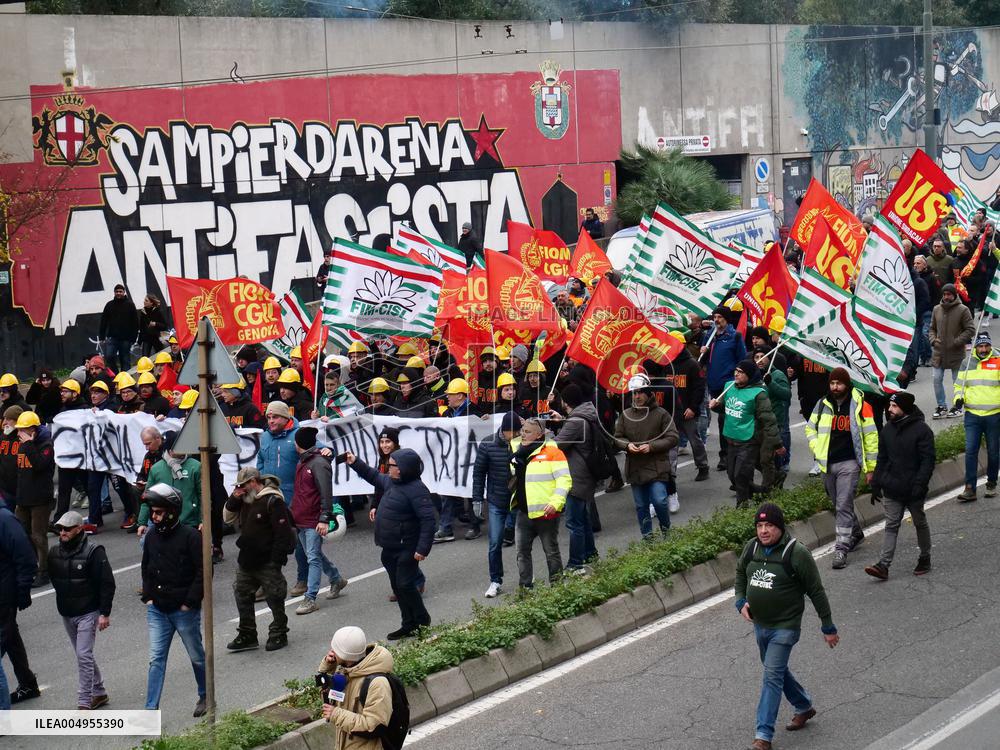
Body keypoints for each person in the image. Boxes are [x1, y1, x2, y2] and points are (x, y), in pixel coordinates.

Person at [735, 502, 839, 750]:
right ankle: (803, 705)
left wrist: (828, 626)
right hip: (760, 625)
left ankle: (763, 735)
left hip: (786, 626)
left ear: (779, 527)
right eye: (759, 526)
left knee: (771, 676)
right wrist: (740, 601)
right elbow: (740, 574)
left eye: (769, 525)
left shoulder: (797, 553)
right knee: (776, 670)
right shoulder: (752, 548)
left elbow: (816, 591)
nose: (763, 531)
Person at [345, 447, 435, 640]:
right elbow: (373, 475)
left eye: (392, 465)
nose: (388, 468)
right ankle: (408, 623)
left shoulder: (417, 490)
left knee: (405, 584)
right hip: (389, 547)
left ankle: (422, 619)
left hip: (407, 547)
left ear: (402, 468)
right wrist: (354, 462)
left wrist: (422, 548)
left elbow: (428, 520)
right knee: (397, 586)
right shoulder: (391, 482)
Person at [140, 483, 206, 717]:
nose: (153, 517)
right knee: (156, 660)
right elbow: (146, 567)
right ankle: (150, 711)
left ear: (171, 512)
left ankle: (205, 695)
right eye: (152, 512)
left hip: (183, 611)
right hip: (157, 610)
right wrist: (148, 597)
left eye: (158, 512)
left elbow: (203, 572)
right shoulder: (151, 536)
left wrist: (189, 602)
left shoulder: (190, 536)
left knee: (196, 655)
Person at [806, 368, 878, 569]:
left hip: (850, 463)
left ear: (847, 384)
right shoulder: (822, 404)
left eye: (839, 383)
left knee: (843, 505)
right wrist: (816, 446)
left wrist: (870, 467)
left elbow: (871, 437)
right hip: (827, 464)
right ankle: (855, 532)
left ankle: (841, 549)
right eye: (832, 383)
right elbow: (810, 428)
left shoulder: (861, 405)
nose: (835, 387)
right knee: (838, 502)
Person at [48, 510, 115, 710]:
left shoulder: (94, 552)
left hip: (88, 612)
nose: (63, 533)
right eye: (60, 529)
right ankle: (100, 692)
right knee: (82, 654)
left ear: (79, 529)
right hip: (67, 613)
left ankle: (84, 700)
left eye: (67, 529)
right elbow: (54, 578)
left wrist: (104, 613)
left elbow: (106, 583)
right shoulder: (54, 553)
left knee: (83, 654)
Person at [865, 392, 935, 580]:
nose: (889, 410)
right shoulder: (887, 430)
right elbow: (882, 458)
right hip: (893, 488)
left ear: (904, 408)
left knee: (920, 522)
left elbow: (927, 461)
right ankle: (883, 566)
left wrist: (920, 485)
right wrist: (876, 483)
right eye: (889, 406)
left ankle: (924, 558)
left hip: (914, 489)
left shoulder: (922, 430)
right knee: (891, 525)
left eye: (894, 406)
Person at [223, 468, 293, 653]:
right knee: (242, 594)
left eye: (243, 485)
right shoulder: (245, 500)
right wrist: (235, 497)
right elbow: (227, 518)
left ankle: (279, 632)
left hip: (267, 560)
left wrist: (277, 561)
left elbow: (283, 533)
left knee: (275, 596)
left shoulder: (273, 501)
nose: (241, 489)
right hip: (246, 559)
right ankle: (247, 634)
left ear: (253, 481)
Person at [291, 427, 349, 615]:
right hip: (301, 518)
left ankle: (310, 598)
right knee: (313, 554)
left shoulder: (318, 463)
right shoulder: (305, 461)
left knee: (313, 557)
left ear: (299, 444)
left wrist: (324, 518)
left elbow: (326, 493)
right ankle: (336, 579)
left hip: (313, 519)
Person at [710, 359, 782, 508]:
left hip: (748, 441)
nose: (736, 374)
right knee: (732, 475)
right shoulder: (728, 387)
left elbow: (769, 420)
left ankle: (742, 507)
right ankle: (764, 489)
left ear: (749, 375)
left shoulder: (759, 394)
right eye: (736, 370)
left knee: (740, 476)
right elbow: (725, 408)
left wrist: (777, 444)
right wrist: (716, 406)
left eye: (741, 372)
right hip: (730, 439)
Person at [614, 374, 678, 537]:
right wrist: (627, 445)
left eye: (640, 392)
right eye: (634, 393)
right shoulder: (625, 414)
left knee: (659, 501)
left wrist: (651, 447)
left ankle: (666, 531)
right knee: (641, 506)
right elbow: (617, 437)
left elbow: (673, 437)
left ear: (649, 393)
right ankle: (647, 538)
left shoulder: (661, 413)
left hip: (657, 466)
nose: (637, 396)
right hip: (635, 468)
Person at [510, 417, 569, 587]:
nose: (522, 434)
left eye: (527, 432)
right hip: (523, 512)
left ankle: (557, 588)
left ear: (539, 435)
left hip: (546, 513)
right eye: (522, 430)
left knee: (551, 552)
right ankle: (525, 588)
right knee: (522, 553)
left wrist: (555, 503)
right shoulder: (517, 451)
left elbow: (564, 480)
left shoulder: (553, 452)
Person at [317, 626, 396, 748]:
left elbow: (374, 726)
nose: (332, 650)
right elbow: (328, 701)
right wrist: (327, 668)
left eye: (335, 648)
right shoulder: (346, 672)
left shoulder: (377, 683)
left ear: (344, 654)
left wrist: (336, 714)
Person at [552, 383, 599, 573]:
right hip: (586, 472)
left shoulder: (575, 422)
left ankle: (575, 563)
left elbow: (557, 445)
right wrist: (563, 419)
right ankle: (590, 553)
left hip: (576, 475)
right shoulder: (585, 414)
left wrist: (540, 438)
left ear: (565, 401)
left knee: (574, 522)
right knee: (584, 518)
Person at [473, 412, 520, 598]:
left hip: (517, 501)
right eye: (513, 432)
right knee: (494, 543)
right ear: (504, 430)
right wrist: (477, 498)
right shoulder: (487, 444)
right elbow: (479, 473)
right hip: (496, 502)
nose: (516, 435)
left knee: (523, 544)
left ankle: (526, 578)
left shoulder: (522, 443)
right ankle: (495, 581)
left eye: (518, 432)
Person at [0, 499, 39, 705]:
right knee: (11, 638)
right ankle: (28, 682)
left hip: (4, 595)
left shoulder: (5, 520)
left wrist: (23, 590)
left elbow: (26, 556)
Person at [954, 331, 1000, 502]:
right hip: (972, 415)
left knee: (994, 453)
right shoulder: (967, 363)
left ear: (990, 345)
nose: (983, 349)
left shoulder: (998, 360)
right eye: (980, 346)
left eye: (986, 345)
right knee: (971, 451)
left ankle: (991, 483)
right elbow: (959, 385)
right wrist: (958, 398)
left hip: (994, 415)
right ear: (975, 347)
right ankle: (970, 488)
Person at [702, 306, 746, 469]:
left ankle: (727, 456)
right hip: (713, 384)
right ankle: (728, 454)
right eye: (715, 316)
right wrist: (704, 351)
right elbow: (702, 360)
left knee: (725, 420)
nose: (716, 319)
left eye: (720, 316)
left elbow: (742, 361)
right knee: (724, 421)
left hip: (728, 386)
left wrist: (737, 381)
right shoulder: (709, 336)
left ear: (726, 319)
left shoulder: (734, 337)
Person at [13, 410, 55, 587]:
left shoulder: (46, 446)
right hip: (23, 499)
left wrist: (29, 444)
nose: (18, 433)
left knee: (38, 536)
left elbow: (39, 465)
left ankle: (43, 571)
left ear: (33, 430)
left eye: (22, 429)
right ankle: (30, 566)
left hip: (40, 500)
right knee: (21, 535)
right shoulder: (22, 445)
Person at [137, 434, 202, 538]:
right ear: (170, 450)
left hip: (189, 523)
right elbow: (147, 497)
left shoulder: (196, 466)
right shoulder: (156, 468)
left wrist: (202, 520)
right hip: (163, 523)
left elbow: (203, 496)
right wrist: (142, 523)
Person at [929, 283, 975, 419]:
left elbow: (970, 329)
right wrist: (933, 339)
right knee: (936, 379)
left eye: (949, 294)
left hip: (956, 353)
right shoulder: (936, 309)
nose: (946, 297)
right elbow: (932, 328)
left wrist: (957, 341)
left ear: (954, 295)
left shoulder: (963, 310)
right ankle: (942, 406)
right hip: (938, 353)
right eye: (944, 294)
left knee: (958, 381)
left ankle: (958, 406)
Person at [257, 401, 299, 515]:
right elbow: (260, 459)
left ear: (286, 418)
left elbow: (318, 452)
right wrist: (262, 480)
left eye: (275, 417)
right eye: (269, 417)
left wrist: (327, 451)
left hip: (294, 494)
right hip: (270, 493)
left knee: (294, 530)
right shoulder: (265, 436)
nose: (271, 421)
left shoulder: (298, 434)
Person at [98, 284, 139, 372]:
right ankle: (116, 375)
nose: (118, 293)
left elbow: (135, 323)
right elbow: (103, 321)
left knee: (125, 360)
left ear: (124, 292)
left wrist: (133, 338)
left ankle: (126, 380)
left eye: (120, 291)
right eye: (117, 291)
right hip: (112, 338)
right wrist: (102, 336)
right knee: (109, 357)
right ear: (114, 293)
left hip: (126, 339)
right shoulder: (109, 305)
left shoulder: (130, 305)